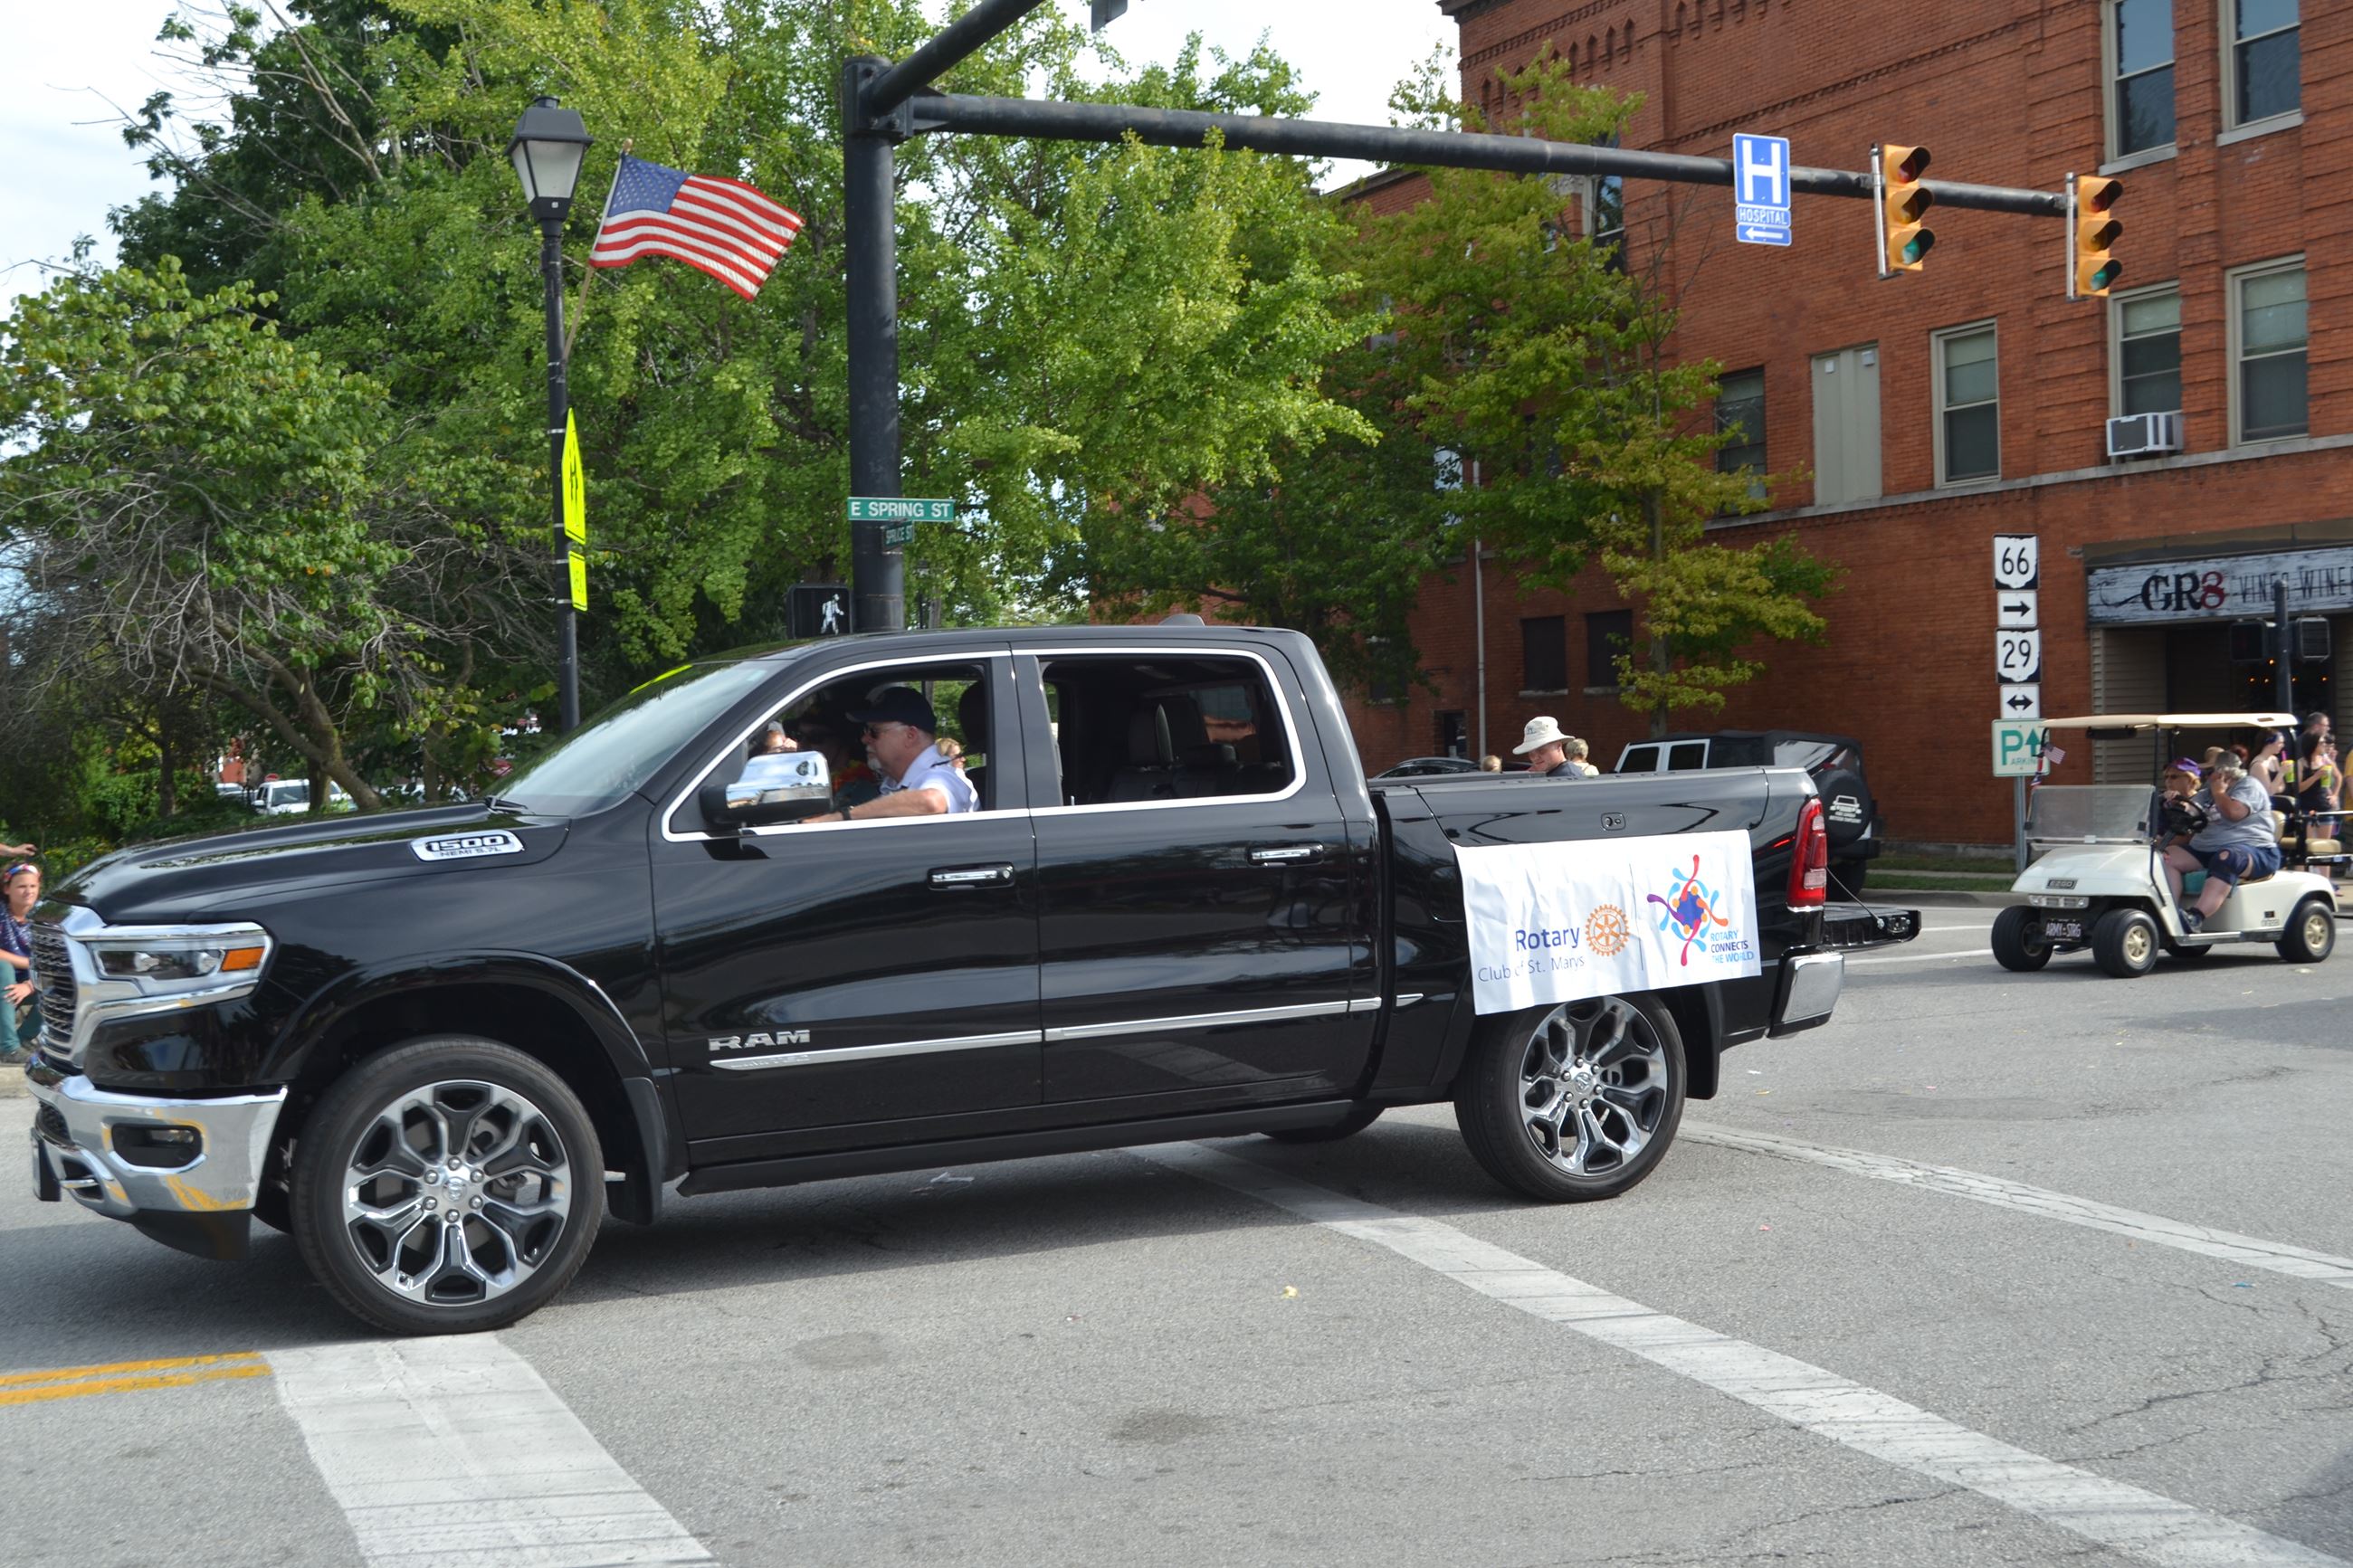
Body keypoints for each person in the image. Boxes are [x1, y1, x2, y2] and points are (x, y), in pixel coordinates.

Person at [796, 687, 976, 822]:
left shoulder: (944, 775)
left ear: (910, 736)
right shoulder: (894, 781)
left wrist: (839, 817)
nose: (865, 739)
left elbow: (930, 801)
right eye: (865, 731)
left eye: (874, 732)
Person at [2163, 762, 2280, 933]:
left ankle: (2196, 916)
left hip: (2254, 849)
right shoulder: (2205, 794)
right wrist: (2174, 804)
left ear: (2227, 774)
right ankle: (2168, 914)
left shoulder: (2249, 785)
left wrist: (2219, 792)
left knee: (2226, 858)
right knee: (2166, 857)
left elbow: (2234, 813)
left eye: (2212, 772)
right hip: (2206, 850)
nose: (2208, 776)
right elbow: (2190, 812)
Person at [0, 863, 41, 1064]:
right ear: (7, 889)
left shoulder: (46, 918)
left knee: (66, 983)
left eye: (33, 886)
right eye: (21, 886)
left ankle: (22, 1039)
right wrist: (29, 963)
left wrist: (29, 985)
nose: (28, 891)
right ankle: (8, 1047)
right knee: (3, 967)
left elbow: (58, 961)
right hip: (4, 980)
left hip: (28, 983)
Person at [1511, 716, 1586, 778]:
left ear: (1558, 746)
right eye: (1531, 754)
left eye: (1541, 751)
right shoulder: (1553, 774)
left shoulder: (1569, 778)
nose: (1535, 758)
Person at [2247, 730, 2289, 796]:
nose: (2282, 746)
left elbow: (2282, 786)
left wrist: (2275, 788)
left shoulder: (2274, 759)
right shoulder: (2259, 765)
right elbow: (2269, 792)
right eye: (2279, 743)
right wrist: (2281, 773)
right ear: (2269, 744)